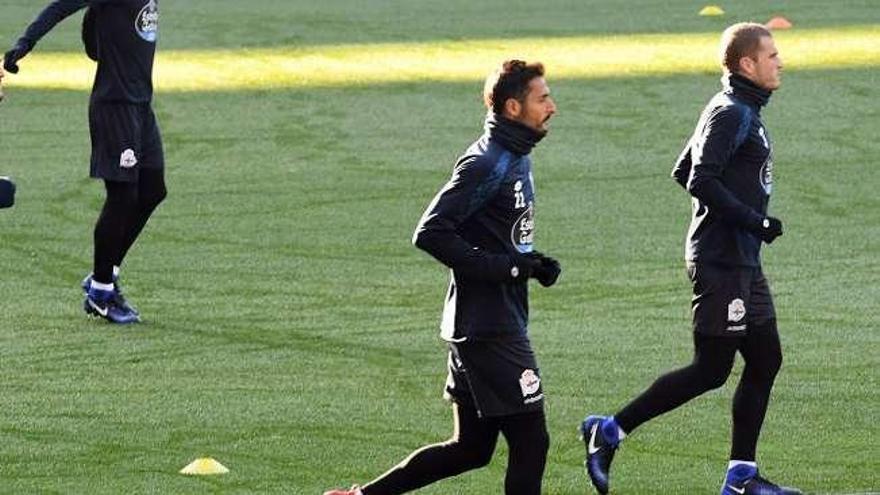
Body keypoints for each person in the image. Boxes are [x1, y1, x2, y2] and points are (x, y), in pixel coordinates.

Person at [579, 22, 802, 495]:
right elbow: (700, 178)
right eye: (771, 55)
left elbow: (683, 169)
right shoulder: (732, 113)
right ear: (747, 64)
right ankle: (609, 431)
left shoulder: (734, 108)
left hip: (742, 262)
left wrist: (743, 224)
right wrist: (753, 221)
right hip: (721, 262)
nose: (779, 61)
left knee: (765, 359)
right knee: (712, 369)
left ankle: (741, 477)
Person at [324, 60, 560, 495]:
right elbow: (430, 232)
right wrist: (507, 267)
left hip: (480, 321)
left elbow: (491, 235)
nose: (553, 107)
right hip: (490, 328)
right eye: (542, 99)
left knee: (471, 448)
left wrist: (531, 263)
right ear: (513, 107)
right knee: (532, 441)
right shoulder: (487, 163)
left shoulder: (514, 157)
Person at [4, 0, 166, 323]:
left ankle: (104, 274)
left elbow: (95, 44)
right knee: (122, 197)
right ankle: (102, 293)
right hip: (114, 106)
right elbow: (60, 8)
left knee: (152, 190)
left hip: (140, 105)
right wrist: (23, 45)